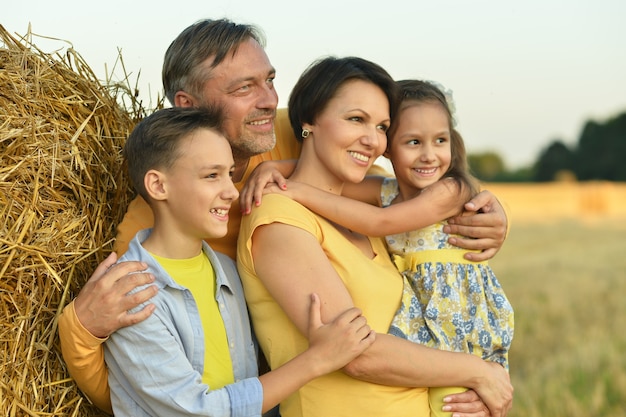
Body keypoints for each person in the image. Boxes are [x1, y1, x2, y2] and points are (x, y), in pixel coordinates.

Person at [57, 18, 509, 415]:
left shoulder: (291, 143)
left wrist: (481, 209)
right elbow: (141, 387)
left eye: (270, 80)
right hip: (268, 394)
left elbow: (393, 189)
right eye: (244, 88)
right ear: (188, 104)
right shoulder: (151, 224)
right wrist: (81, 329)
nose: (269, 101)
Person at [236, 56, 513, 417]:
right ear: (309, 121)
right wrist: (482, 373)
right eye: (356, 119)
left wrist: (473, 394)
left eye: (382, 127)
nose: (373, 141)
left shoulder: (378, 215)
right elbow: (357, 353)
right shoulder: (279, 218)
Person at [103, 105, 375, 416]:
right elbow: (198, 410)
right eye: (211, 176)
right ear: (158, 186)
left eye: (230, 174)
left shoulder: (228, 271)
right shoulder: (132, 296)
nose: (231, 192)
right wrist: (317, 359)